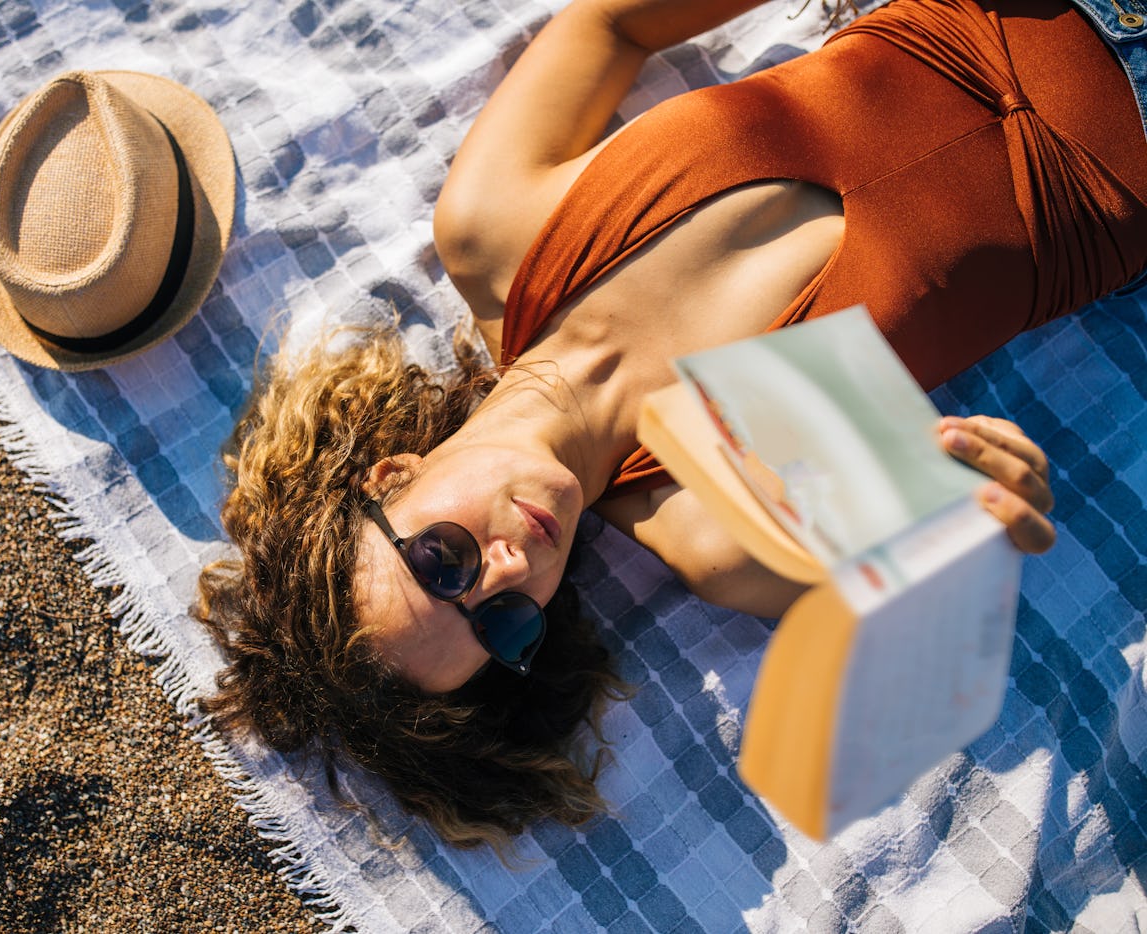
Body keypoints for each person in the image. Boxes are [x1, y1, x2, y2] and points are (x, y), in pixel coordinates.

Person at [197, 0, 1147, 849]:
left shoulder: (493, 231)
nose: (509, 570)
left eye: (441, 562)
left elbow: (614, 24)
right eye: (503, 622)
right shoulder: (708, 522)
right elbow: (926, 532)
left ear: (388, 476)